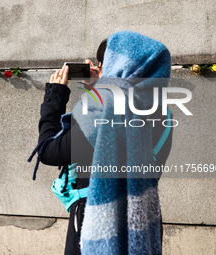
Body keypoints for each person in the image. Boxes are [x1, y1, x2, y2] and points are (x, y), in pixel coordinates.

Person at [28, 31, 172, 255]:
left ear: (114, 65)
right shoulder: (164, 111)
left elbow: (49, 151)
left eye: (104, 65)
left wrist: (54, 98)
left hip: (97, 217)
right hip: (142, 215)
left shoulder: (106, 109)